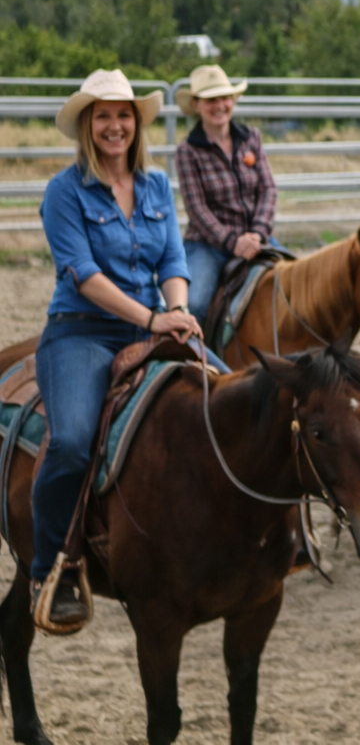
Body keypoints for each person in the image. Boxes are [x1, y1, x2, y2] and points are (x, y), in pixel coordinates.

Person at [33, 70, 205, 631]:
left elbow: (173, 260)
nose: (115, 125)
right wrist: (153, 318)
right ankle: (50, 566)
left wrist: (177, 310)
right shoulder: (64, 191)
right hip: (81, 331)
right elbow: (83, 275)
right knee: (71, 443)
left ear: (137, 123)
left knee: (232, 396)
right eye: (102, 116)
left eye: (123, 114)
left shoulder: (155, 186)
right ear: (88, 125)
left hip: (151, 326)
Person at [174, 64, 281, 327]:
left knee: (298, 282)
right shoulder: (188, 151)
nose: (219, 105)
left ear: (233, 100)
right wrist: (233, 242)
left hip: (256, 238)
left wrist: (257, 233)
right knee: (194, 303)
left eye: (224, 98)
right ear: (197, 105)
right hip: (208, 244)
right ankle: (195, 351)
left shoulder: (251, 138)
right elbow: (197, 209)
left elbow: (268, 189)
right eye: (211, 100)